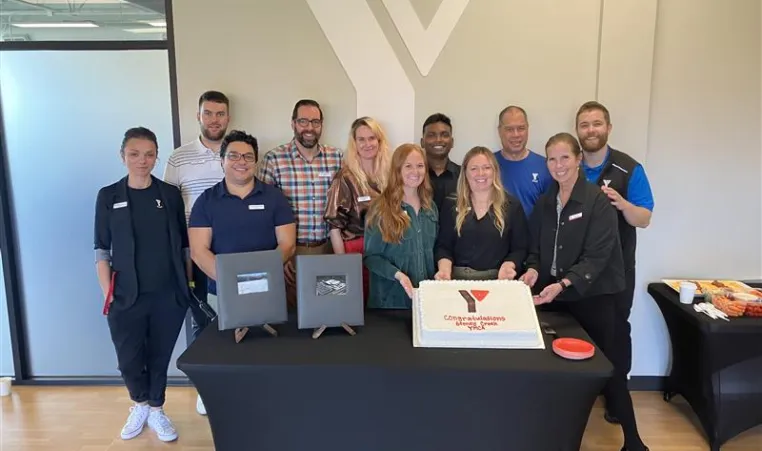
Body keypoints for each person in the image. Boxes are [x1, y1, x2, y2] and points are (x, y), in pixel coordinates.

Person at [518, 132, 649, 451]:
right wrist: (533, 269)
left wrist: (563, 283)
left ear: (578, 159)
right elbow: (535, 249)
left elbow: (599, 255)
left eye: (565, 157)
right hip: (556, 298)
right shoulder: (546, 202)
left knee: (609, 368)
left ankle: (634, 442)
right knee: (554, 368)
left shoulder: (597, 201)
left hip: (595, 297)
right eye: (552, 158)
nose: (558, 165)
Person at [93, 127, 189, 442]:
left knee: (159, 356)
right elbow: (101, 250)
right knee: (129, 359)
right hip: (125, 296)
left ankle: (157, 409)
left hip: (167, 294)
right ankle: (139, 404)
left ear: (156, 156)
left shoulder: (169, 194)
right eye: (134, 154)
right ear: (123, 156)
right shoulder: (109, 196)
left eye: (149, 154)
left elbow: (184, 245)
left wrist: (185, 284)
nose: (142, 160)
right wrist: (108, 293)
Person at [575, 101, 655, 424]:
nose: (591, 130)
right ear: (577, 130)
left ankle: (616, 398)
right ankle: (580, 397)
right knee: (580, 330)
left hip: (617, 273)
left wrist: (623, 205)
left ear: (608, 128)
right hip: (578, 271)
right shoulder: (570, 165)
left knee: (616, 335)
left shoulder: (629, 168)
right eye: (584, 124)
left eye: (596, 123)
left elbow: (645, 217)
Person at [162, 89, 229, 416]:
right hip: (194, 253)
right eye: (208, 113)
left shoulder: (238, 153)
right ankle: (206, 388)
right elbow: (170, 208)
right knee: (203, 320)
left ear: (228, 117)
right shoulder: (179, 157)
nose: (214, 120)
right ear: (198, 116)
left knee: (240, 315)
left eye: (220, 114)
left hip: (232, 251)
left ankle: (235, 381)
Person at [189, 130, 296, 313]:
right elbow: (199, 252)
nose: (241, 162)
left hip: (267, 290)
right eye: (234, 156)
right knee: (225, 342)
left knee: (270, 339)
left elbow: (288, 245)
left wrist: (260, 279)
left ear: (255, 162)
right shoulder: (205, 201)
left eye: (248, 156)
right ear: (222, 161)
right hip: (223, 292)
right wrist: (231, 281)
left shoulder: (275, 198)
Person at [258, 99, 342, 309]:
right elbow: (263, 215)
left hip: (328, 251)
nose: (309, 128)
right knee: (293, 318)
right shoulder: (274, 159)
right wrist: (280, 256)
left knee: (328, 312)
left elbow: (342, 207)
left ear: (322, 125)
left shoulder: (336, 158)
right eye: (303, 121)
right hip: (291, 254)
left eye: (315, 122)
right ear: (293, 123)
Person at [434, 146, 528, 281]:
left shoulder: (512, 206)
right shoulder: (451, 204)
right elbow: (443, 246)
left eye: (486, 168)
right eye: (474, 168)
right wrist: (444, 270)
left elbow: (520, 248)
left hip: (497, 282)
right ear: (465, 173)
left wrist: (509, 265)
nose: (481, 173)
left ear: (495, 171)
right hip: (456, 281)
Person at [324, 117, 391, 302]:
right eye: (361, 139)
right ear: (354, 143)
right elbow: (334, 227)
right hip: (355, 251)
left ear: (380, 141)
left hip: (386, 251)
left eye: (372, 138)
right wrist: (343, 266)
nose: (367, 144)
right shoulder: (345, 177)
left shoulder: (389, 175)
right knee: (357, 306)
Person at [363, 143, 438, 309]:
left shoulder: (430, 208)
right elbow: (371, 258)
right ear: (397, 170)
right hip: (390, 302)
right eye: (408, 166)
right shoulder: (381, 209)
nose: (415, 172)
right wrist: (398, 275)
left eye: (420, 166)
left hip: (424, 301)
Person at [494, 105, 552, 217]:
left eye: (521, 128)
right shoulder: (487, 165)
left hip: (533, 234)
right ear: (499, 131)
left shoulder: (545, 166)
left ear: (527, 129)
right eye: (509, 129)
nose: (516, 135)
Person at [420, 113, 460, 211]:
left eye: (444, 135)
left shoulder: (464, 176)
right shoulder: (412, 176)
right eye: (431, 135)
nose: (438, 140)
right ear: (422, 142)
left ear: (452, 142)